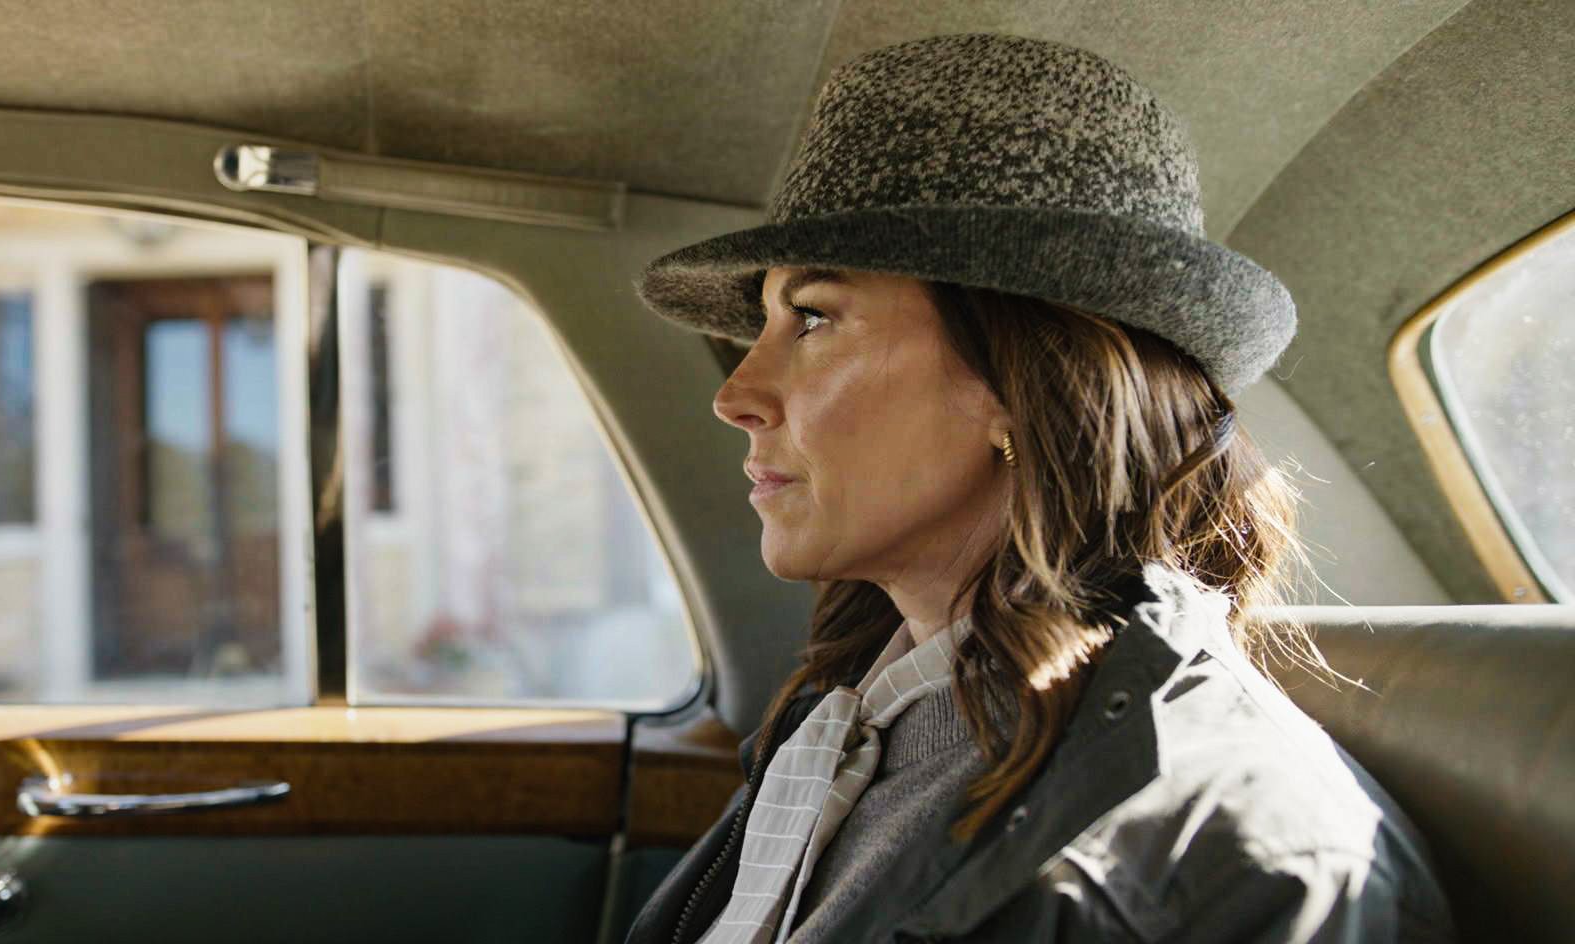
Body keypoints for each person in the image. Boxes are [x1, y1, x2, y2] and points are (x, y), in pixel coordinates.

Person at [622, 33, 1455, 944]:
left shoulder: (1221, 864)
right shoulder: (855, 724)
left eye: (814, 317)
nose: (735, 396)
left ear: (1023, 384)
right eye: (766, 323)